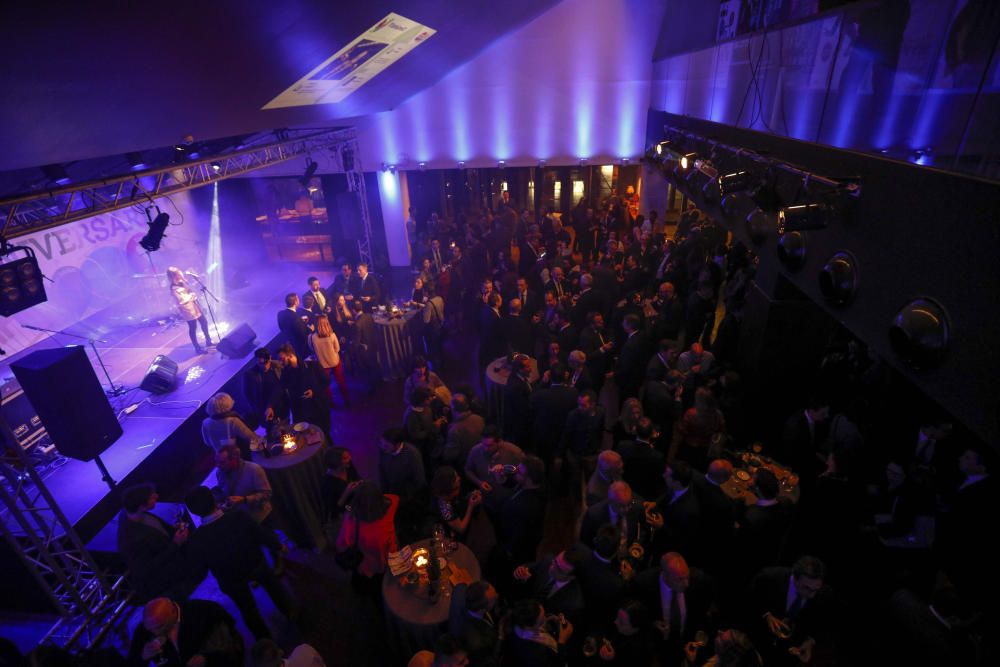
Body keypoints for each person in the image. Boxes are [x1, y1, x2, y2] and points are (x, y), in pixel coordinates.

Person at [183, 486, 293, 640]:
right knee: (276, 590)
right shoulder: (238, 517)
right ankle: (292, 616)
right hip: (256, 564)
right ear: (214, 500)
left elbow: (199, 571)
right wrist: (279, 546)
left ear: (194, 512)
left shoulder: (197, 539)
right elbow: (261, 534)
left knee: (248, 610)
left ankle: (265, 641)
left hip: (230, 580)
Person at [117, 483, 200, 603]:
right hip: (168, 582)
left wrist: (172, 529)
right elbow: (147, 568)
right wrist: (176, 544)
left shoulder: (132, 514)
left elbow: (156, 529)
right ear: (142, 506)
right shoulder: (131, 540)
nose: (156, 496)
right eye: (151, 497)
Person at [747, 556, 837, 666]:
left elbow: (821, 621)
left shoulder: (824, 593)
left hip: (789, 651)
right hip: (757, 639)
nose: (811, 595)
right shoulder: (769, 577)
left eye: (815, 590)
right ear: (794, 577)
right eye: (806, 588)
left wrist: (810, 642)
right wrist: (766, 614)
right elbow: (750, 598)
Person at [631, 552, 717, 666]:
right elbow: (635, 615)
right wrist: (651, 623)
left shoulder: (699, 579)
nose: (686, 584)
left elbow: (709, 602)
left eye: (687, 576)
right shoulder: (643, 583)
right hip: (658, 647)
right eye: (680, 579)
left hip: (686, 642)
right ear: (665, 575)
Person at [127, 597, 243, 667]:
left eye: (159, 627)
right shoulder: (144, 630)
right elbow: (132, 663)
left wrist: (207, 660)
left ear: (173, 614)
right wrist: (143, 656)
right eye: (149, 628)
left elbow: (234, 649)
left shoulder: (204, 613)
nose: (153, 633)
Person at [336, 480, 399, 605]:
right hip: (382, 567)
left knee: (371, 598)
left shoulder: (350, 520)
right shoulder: (390, 511)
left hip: (363, 569)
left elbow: (341, 546)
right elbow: (392, 549)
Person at [512, 545, 589, 621]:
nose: (552, 568)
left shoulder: (573, 604)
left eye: (559, 569)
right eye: (555, 561)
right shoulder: (548, 559)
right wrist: (521, 570)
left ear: (572, 577)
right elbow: (530, 567)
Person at [496, 456, 548, 568]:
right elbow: (515, 483)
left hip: (517, 551)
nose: (515, 472)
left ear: (529, 478)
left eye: (519, 471)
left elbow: (519, 537)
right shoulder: (533, 486)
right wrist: (501, 477)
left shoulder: (528, 506)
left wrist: (509, 551)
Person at [464, 426, 525, 514]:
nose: (485, 449)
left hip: (508, 498)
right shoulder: (475, 451)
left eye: (489, 445)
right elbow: (467, 470)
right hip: (488, 500)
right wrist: (480, 483)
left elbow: (525, 475)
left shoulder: (514, 452)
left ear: (499, 442)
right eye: (483, 444)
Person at [276, 343, 332, 439]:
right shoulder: (286, 373)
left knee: (325, 435)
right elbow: (279, 390)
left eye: (282, 359)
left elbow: (326, 381)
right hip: (302, 413)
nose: (281, 362)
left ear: (290, 356)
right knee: (309, 439)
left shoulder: (312, 365)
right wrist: (270, 407)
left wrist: (314, 391)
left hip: (317, 408)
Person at [527, 363, 578, 463]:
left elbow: (531, 398)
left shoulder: (541, 394)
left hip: (544, 435)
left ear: (550, 376)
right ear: (565, 375)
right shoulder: (573, 392)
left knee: (544, 461)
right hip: (563, 434)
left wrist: (542, 382)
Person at [503, 599, 573, 667]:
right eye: (541, 620)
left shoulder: (518, 625)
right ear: (529, 626)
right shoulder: (535, 655)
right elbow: (558, 662)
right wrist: (562, 640)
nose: (545, 619)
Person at [214, 444, 272, 523]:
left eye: (222, 462)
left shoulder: (254, 469)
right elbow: (223, 491)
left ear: (234, 459)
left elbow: (267, 494)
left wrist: (245, 500)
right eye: (216, 462)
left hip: (259, 518)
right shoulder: (219, 473)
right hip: (239, 520)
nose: (218, 466)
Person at [448, 581, 500, 666]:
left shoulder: (460, 589)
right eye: (494, 599)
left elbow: (461, 585)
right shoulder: (478, 642)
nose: (497, 595)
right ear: (482, 610)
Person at [580, 481, 645, 550]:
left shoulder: (636, 508)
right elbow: (585, 544)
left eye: (629, 504)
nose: (627, 509)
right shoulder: (593, 515)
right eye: (622, 506)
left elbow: (643, 529)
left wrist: (637, 544)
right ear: (610, 502)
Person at [616, 418, 666, 501]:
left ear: (635, 430)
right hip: (645, 495)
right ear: (652, 433)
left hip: (624, 490)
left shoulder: (622, 446)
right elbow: (658, 480)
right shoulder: (658, 456)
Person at [200, 392, 262, 458]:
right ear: (227, 406)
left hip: (221, 459)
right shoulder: (232, 421)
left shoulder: (205, 422)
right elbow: (251, 437)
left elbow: (207, 443)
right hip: (238, 457)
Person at [167, 267, 212, 354]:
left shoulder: (182, 282)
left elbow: (190, 289)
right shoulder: (173, 288)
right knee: (193, 327)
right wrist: (191, 296)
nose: (180, 274)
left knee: (204, 322)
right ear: (173, 276)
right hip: (187, 309)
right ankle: (197, 348)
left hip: (195, 306)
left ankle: (208, 341)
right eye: (177, 274)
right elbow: (181, 301)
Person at [430, 466, 483, 539]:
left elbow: (458, 501)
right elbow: (461, 528)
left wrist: (469, 496)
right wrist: (471, 507)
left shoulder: (446, 491)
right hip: (451, 538)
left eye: (457, 475)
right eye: (457, 483)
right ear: (449, 492)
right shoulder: (445, 508)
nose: (459, 478)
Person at [309, 317, 350, 408]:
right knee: (341, 381)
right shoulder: (332, 335)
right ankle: (347, 400)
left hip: (322, 364)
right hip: (335, 361)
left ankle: (330, 402)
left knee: (326, 384)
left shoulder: (311, 337)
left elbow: (312, 349)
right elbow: (337, 349)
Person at [378, 426, 427, 501]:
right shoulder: (384, 450)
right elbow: (382, 472)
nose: (382, 447)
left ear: (397, 444)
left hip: (408, 497)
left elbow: (419, 481)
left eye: (386, 446)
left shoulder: (413, 454)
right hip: (391, 494)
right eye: (381, 444)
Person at [242, 348, 288, 429]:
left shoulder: (278, 366)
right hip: (264, 410)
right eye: (260, 363)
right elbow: (247, 394)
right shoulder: (249, 375)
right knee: (272, 433)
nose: (264, 366)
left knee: (287, 428)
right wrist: (259, 409)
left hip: (282, 406)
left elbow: (281, 387)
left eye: (266, 363)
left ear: (270, 358)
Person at [321, 446, 360, 527]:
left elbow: (357, 478)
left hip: (357, 499)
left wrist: (359, 483)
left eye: (349, 456)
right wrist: (346, 493)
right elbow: (335, 509)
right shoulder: (327, 483)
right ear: (336, 463)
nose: (350, 458)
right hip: (346, 508)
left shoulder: (347, 466)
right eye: (345, 458)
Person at [445, 393, 485, 467]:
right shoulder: (479, 419)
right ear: (467, 405)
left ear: (453, 408)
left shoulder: (454, 429)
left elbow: (450, 455)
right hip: (481, 460)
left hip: (465, 465)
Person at [502, 355, 533, 447]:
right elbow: (522, 411)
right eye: (527, 367)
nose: (530, 369)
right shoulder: (516, 387)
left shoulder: (516, 376)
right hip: (519, 429)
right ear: (520, 369)